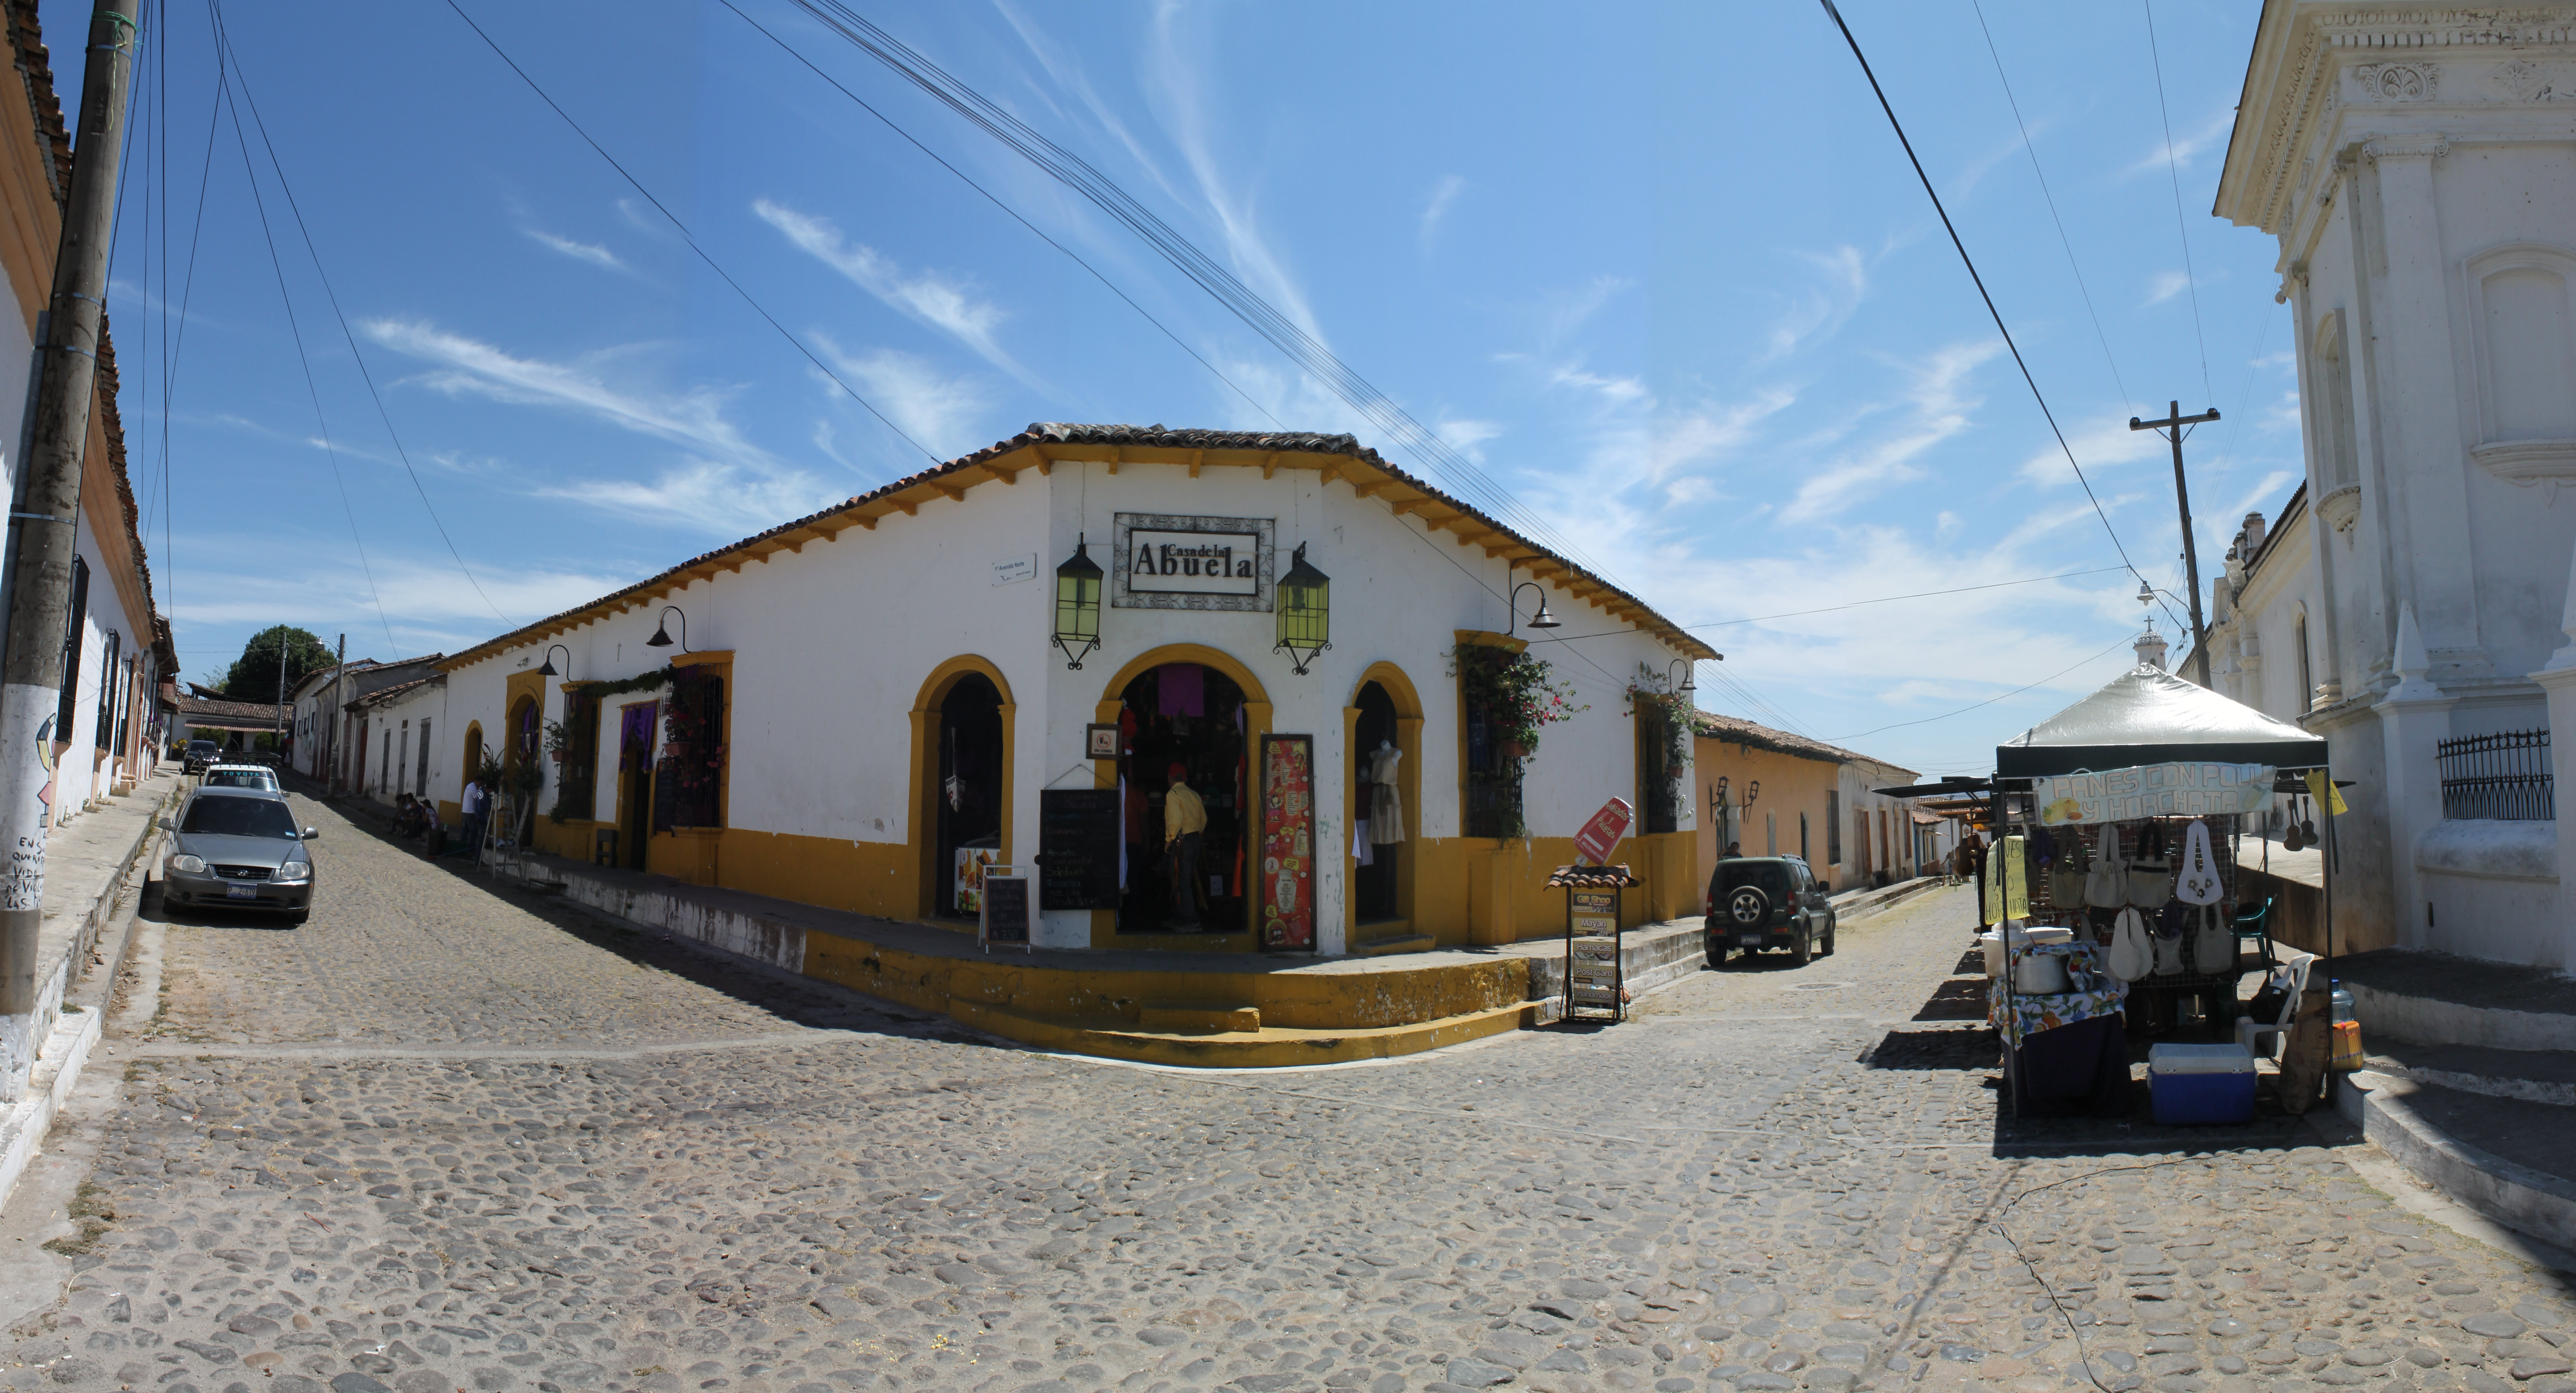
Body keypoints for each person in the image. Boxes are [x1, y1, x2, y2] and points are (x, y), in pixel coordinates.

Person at [1163, 762, 1206, 929]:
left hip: (1182, 842)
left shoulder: (1173, 794)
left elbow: (1176, 821)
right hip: (1195, 840)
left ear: (1169, 778)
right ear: (1186, 778)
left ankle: (1191, 920)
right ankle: (1179, 916)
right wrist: (1195, 835)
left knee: (1181, 881)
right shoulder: (1194, 794)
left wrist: (1169, 840)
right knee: (1182, 879)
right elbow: (1204, 820)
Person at [459, 776, 488, 862]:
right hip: (471, 813)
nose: (480, 785)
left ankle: (462, 847)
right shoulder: (474, 789)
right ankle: (471, 849)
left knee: (464, 831)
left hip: (465, 811)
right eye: (480, 783)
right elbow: (478, 801)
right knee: (473, 831)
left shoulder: (469, 786)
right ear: (477, 781)